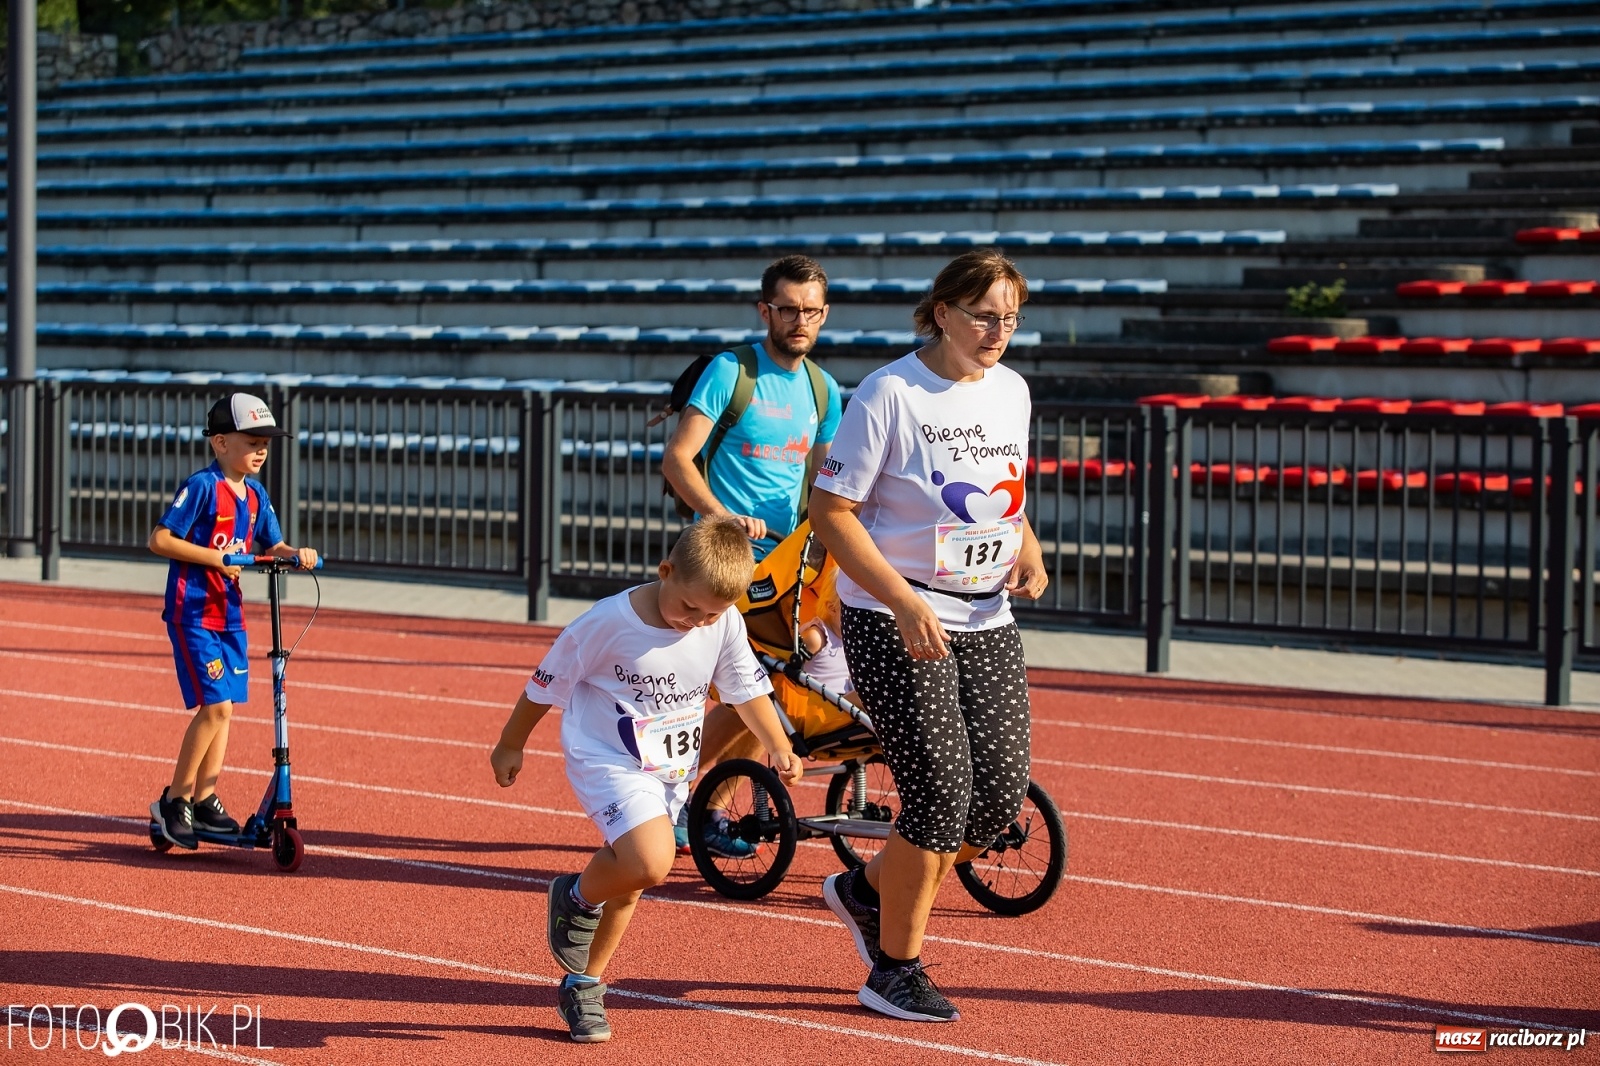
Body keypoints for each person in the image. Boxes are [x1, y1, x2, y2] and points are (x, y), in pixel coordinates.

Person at [808, 249, 1050, 1023]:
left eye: (1010, 317)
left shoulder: (1011, 390)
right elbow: (832, 511)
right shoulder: (891, 393)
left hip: (987, 617)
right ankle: (895, 968)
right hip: (896, 620)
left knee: (995, 805)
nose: (998, 331)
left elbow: (1001, 496)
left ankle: (864, 888)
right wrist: (902, 601)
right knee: (940, 802)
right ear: (942, 311)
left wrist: (1029, 547)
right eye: (984, 314)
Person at [490, 516, 803, 1044]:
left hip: (668, 769)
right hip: (606, 759)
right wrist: (510, 743)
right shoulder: (606, 622)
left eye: (711, 614)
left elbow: (746, 689)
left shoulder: (721, 623)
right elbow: (544, 685)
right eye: (688, 607)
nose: (695, 623)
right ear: (665, 571)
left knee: (631, 881)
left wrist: (777, 743)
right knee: (650, 861)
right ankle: (575, 897)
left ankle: (583, 983)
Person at [662, 254, 843, 858]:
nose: (800, 320)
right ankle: (687, 796)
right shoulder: (730, 372)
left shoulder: (823, 389)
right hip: (727, 559)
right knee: (751, 685)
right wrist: (720, 516)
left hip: (787, 566)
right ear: (765, 310)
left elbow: (825, 486)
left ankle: (698, 801)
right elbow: (678, 459)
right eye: (788, 309)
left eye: (811, 311)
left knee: (761, 686)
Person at [148, 393, 319, 851]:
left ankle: (204, 798)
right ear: (221, 443)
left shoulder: (257, 493)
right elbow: (160, 538)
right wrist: (215, 558)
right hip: (194, 612)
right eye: (252, 441)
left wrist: (294, 553)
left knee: (227, 710)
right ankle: (175, 800)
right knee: (216, 707)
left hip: (230, 614)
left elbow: (274, 543)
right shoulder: (203, 486)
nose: (262, 449)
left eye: (267, 442)